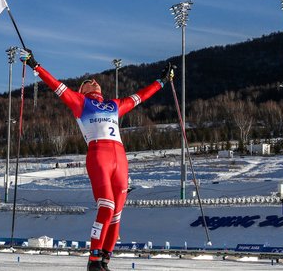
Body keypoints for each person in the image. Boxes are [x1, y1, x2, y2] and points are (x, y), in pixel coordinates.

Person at [20, 49, 174, 271]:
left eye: (95, 80)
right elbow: (56, 85)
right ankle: (93, 260)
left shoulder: (114, 105)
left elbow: (140, 96)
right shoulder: (80, 102)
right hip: (99, 154)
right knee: (106, 207)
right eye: (87, 81)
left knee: (117, 213)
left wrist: (161, 81)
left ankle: (104, 260)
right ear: (81, 90)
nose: (94, 81)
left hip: (120, 158)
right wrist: (35, 65)